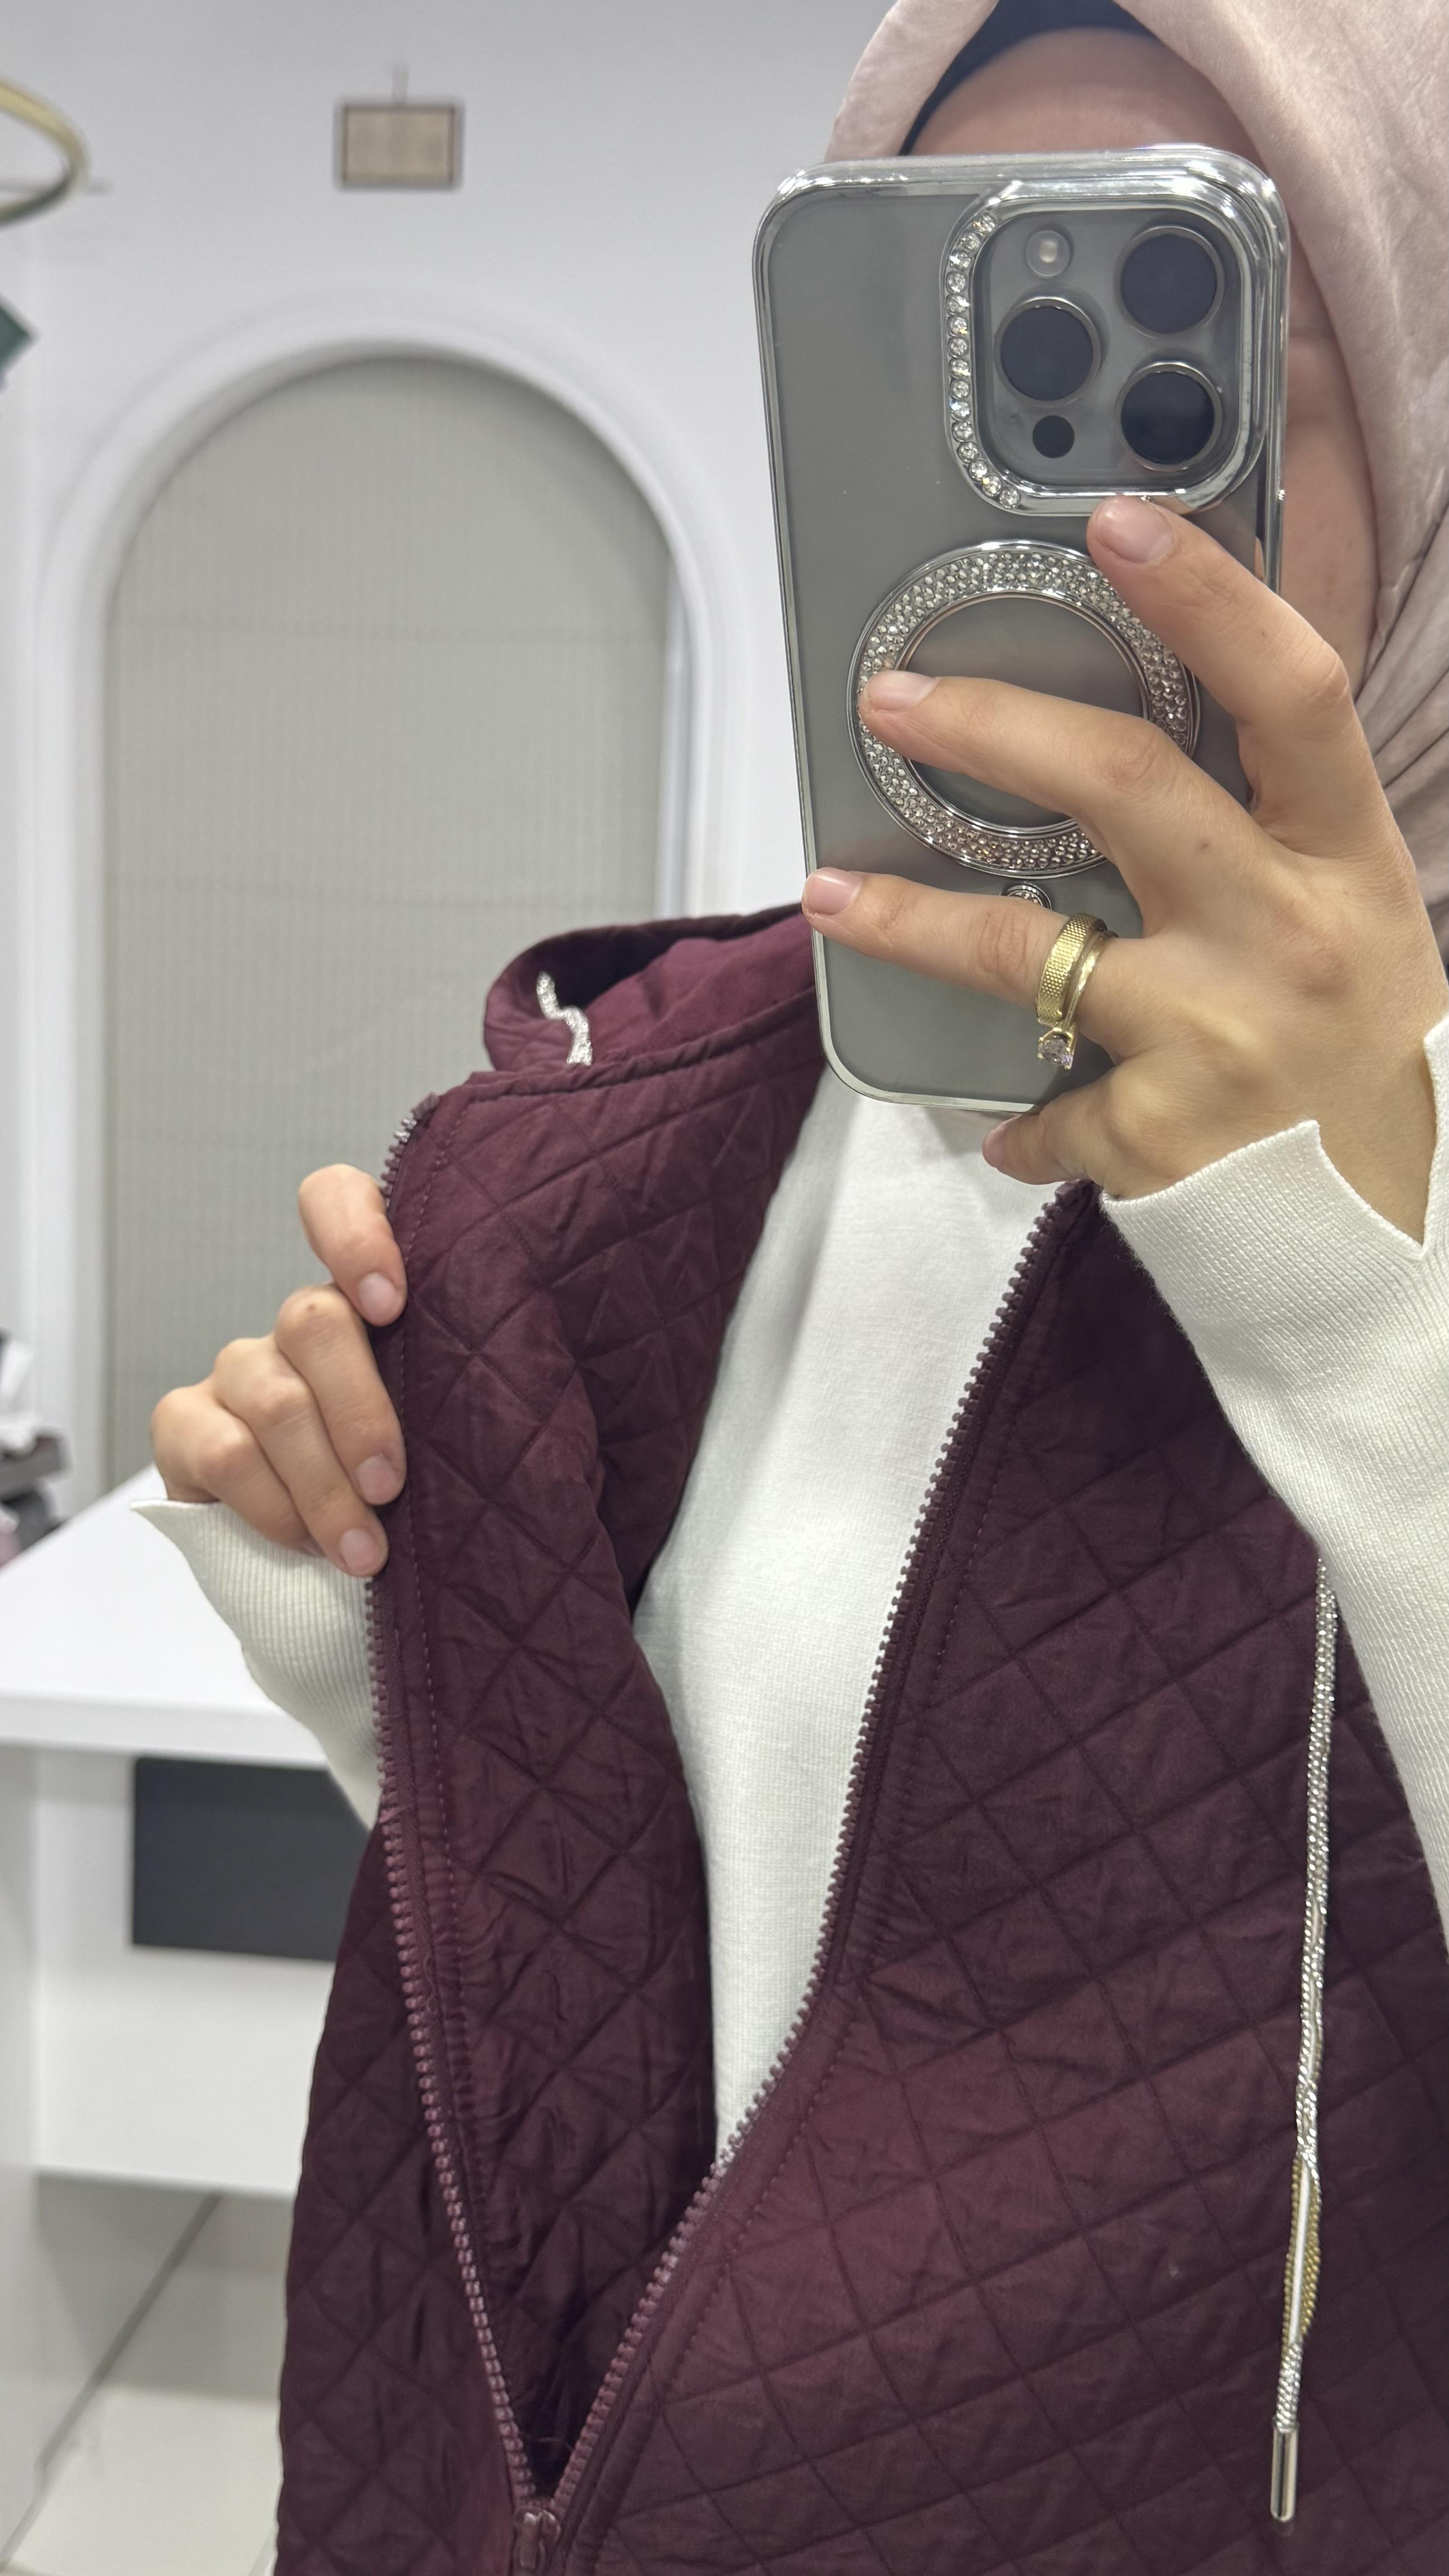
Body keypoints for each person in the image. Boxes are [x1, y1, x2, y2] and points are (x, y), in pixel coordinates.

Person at [143, 1, 1448, 2564]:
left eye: (1191, 367)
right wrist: (414, 1647)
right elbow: (709, 2011)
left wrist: (1366, 1297)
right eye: (947, 351)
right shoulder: (667, 1123)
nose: (1075, 522)